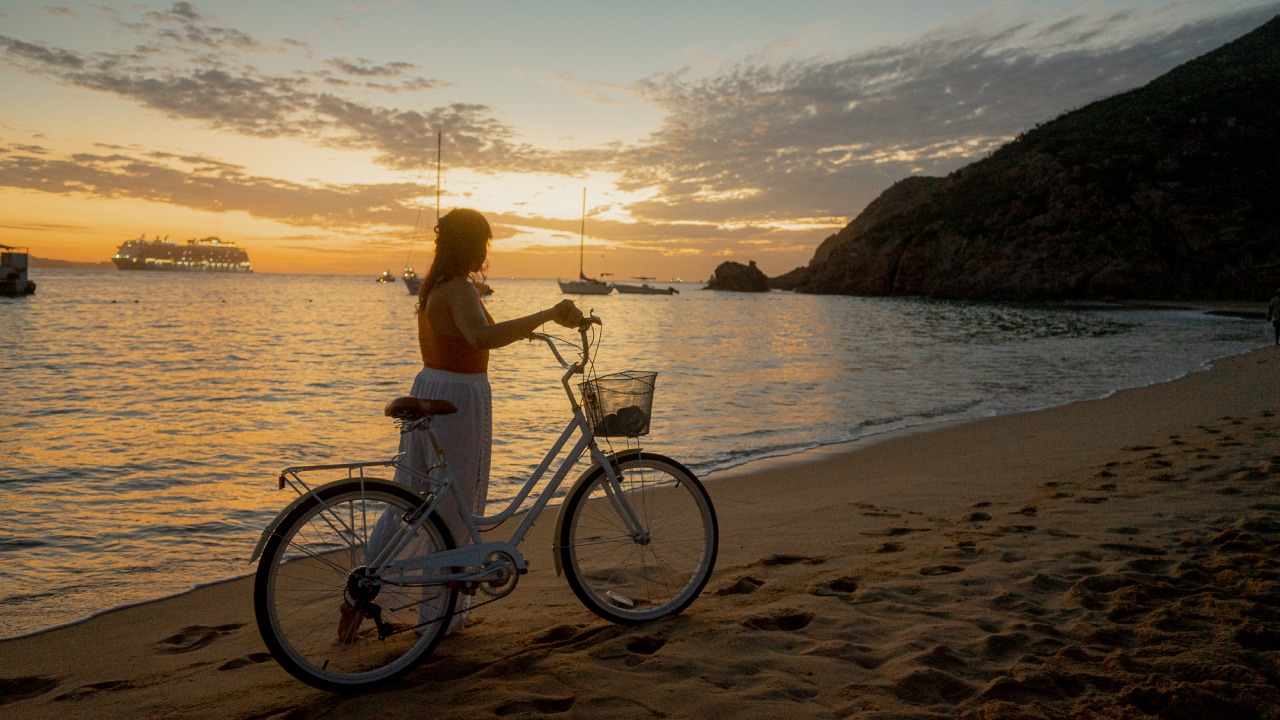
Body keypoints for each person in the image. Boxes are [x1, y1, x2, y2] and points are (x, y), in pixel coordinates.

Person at [342, 208, 581, 642]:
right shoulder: (460, 289)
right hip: (458, 397)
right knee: (451, 507)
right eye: (484, 243)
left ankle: (360, 597)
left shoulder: (439, 285)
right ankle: (440, 618)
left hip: (434, 383)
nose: (486, 252)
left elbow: (480, 329)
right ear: (472, 245)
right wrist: (547, 313)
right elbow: (481, 338)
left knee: (412, 501)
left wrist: (532, 330)